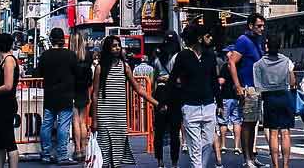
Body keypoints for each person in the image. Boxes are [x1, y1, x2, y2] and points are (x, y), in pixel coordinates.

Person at [90, 36, 157, 168]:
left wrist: (155, 103)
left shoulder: (125, 67)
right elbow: (95, 94)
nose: (117, 48)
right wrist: (95, 120)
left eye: (118, 45)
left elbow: (138, 89)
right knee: (104, 153)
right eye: (114, 46)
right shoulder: (100, 68)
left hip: (119, 116)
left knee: (118, 153)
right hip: (104, 115)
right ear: (108, 48)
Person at [168, 28, 216, 168]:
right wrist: (166, 102)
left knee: (207, 143)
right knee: (194, 145)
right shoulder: (183, 56)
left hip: (209, 105)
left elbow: (213, 80)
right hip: (190, 106)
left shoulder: (210, 56)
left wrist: (219, 103)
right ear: (199, 38)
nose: (211, 39)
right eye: (208, 36)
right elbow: (172, 78)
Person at [227, 14, 265, 168]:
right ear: (250, 25)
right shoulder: (243, 40)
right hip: (248, 88)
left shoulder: (257, 41)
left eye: (263, 26)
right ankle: (247, 158)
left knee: (253, 122)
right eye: (259, 26)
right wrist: (238, 85)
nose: (262, 28)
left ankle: (251, 157)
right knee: (247, 124)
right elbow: (232, 62)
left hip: (256, 88)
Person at [35, 28, 77, 165]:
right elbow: (77, 72)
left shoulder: (45, 56)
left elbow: (37, 73)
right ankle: (62, 155)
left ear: (51, 40)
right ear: (63, 41)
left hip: (50, 94)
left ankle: (46, 153)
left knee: (46, 124)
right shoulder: (70, 55)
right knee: (63, 126)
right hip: (66, 95)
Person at [252, 36, 295, 168]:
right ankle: (286, 165)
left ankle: (275, 165)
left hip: (269, 98)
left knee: (273, 133)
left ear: (267, 46)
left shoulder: (259, 64)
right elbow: (292, 82)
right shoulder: (287, 61)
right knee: (285, 132)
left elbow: (257, 87)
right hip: (284, 96)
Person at [0, 34, 20, 168]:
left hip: (6, 105)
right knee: (0, 142)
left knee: (8, 141)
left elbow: (8, 86)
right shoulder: (5, 60)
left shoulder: (9, 61)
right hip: (0, 104)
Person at [150, 36, 181, 168]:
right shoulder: (179, 57)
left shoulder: (158, 60)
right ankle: (174, 163)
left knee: (160, 132)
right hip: (174, 95)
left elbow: (153, 81)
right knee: (174, 132)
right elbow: (181, 79)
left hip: (161, 96)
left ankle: (160, 162)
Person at [69, 34, 92, 162]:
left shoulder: (70, 56)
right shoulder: (88, 55)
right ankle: (84, 149)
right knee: (83, 122)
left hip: (72, 91)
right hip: (84, 90)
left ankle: (77, 150)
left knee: (75, 121)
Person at [216, 43, 240, 162]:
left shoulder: (226, 66)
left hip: (225, 96)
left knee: (223, 122)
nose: (226, 54)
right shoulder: (239, 65)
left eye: (228, 52)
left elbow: (221, 81)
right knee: (236, 121)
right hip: (236, 96)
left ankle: (224, 145)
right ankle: (236, 146)